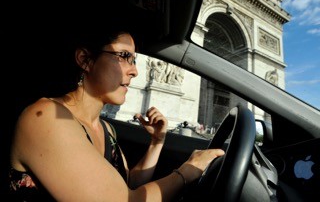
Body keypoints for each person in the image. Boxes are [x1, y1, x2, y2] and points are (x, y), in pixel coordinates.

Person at [8, 27, 225, 201]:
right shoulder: (45, 117)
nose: (135, 71)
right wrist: (188, 170)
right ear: (85, 59)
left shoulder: (106, 128)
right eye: (123, 56)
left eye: (134, 60)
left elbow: (127, 182)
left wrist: (157, 142)